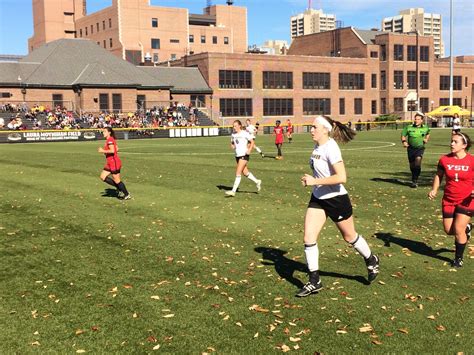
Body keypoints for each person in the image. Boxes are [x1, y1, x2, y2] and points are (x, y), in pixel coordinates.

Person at [296, 115, 380, 297]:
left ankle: (371, 258)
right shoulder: (317, 146)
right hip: (318, 198)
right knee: (308, 237)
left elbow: (342, 177)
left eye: (314, 127)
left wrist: (314, 181)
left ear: (325, 129)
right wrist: (314, 183)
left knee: (350, 237)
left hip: (336, 199)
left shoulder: (331, 147)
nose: (311, 130)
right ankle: (314, 280)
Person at [428, 132, 473, 268]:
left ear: (464, 145)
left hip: (467, 200)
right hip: (448, 199)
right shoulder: (444, 160)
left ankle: (458, 259)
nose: (451, 144)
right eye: (451, 141)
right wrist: (434, 189)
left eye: (455, 142)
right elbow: (439, 175)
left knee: (458, 229)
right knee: (449, 230)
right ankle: (467, 229)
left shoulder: (472, 160)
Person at [226, 120, 262, 197]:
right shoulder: (233, 134)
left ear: (240, 126)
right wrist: (232, 145)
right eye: (233, 126)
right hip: (237, 155)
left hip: (244, 155)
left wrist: (249, 150)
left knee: (238, 172)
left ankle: (233, 191)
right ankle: (257, 181)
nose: (234, 127)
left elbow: (252, 142)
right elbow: (232, 143)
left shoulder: (244, 133)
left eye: (235, 126)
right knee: (245, 173)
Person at [98, 127, 131, 200]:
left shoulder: (110, 140)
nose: (103, 133)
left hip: (114, 162)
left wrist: (103, 151)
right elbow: (117, 148)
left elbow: (113, 150)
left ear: (109, 132)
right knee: (103, 176)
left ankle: (127, 194)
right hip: (110, 162)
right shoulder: (110, 139)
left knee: (117, 180)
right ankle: (118, 188)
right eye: (103, 131)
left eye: (104, 131)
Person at [401, 113, 430, 188]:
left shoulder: (425, 127)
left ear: (421, 120)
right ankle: (414, 177)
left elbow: (428, 133)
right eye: (415, 119)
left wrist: (426, 139)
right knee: (412, 166)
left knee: (417, 163)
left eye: (418, 119)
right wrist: (404, 142)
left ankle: (415, 180)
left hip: (420, 148)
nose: (416, 120)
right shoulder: (408, 127)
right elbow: (403, 135)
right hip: (410, 148)